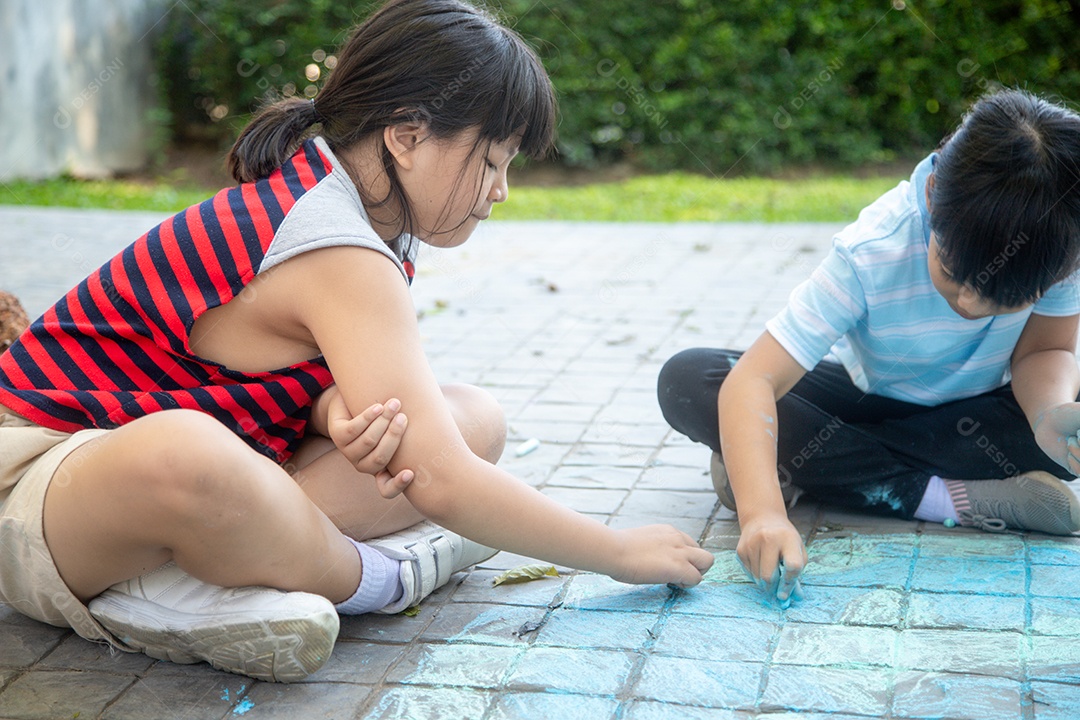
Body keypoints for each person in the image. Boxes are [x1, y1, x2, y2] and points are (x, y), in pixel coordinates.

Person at [0, 0, 712, 683]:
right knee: (192, 452)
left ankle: (203, 581)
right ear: (406, 137)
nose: (500, 191)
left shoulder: (353, 205)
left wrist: (324, 407)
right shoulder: (333, 237)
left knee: (473, 420)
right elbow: (438, 480)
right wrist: (615, 550)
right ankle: (380, 579)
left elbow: (236, 359)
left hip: (188, 478)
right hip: (38, 483)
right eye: (492, 161)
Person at [658, 88, 1080, 607]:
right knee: (690, 379)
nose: (969, 304)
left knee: (1069, 422)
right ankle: (941, 497)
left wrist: (1047, 417)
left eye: (1005, 299)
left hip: (971, 416)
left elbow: (1044, 354)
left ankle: (785, 461)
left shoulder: (1058, 237)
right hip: (869, 397)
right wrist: (762, 513)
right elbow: (755, 379)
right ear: (930, 197)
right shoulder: (873, 249)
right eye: (952, 273)